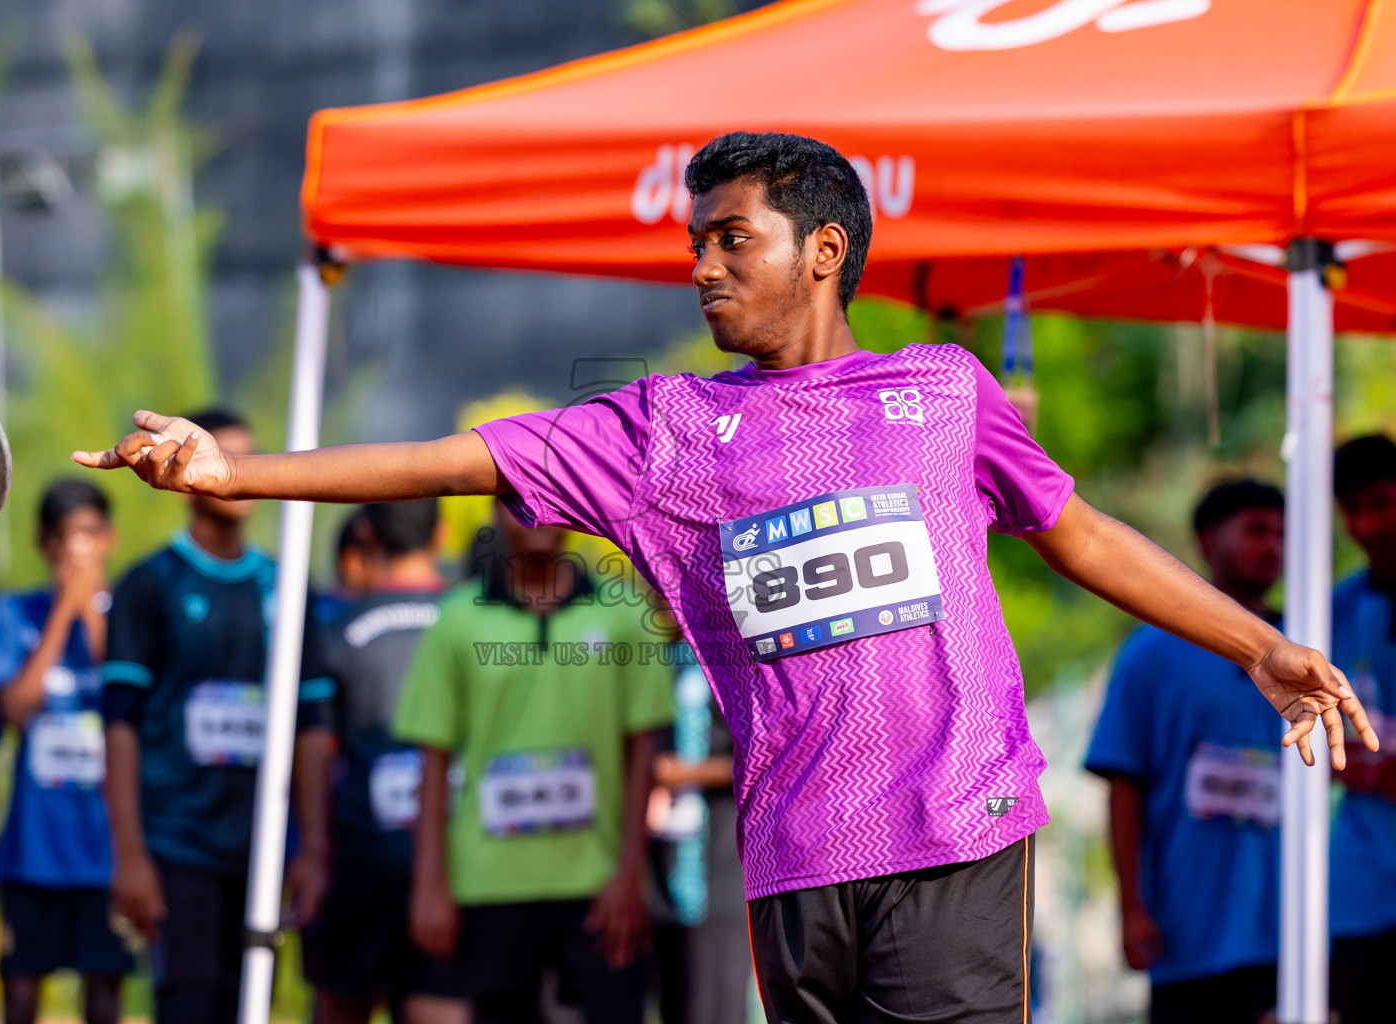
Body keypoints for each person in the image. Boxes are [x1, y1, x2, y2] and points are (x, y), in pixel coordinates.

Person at [74, 132, 1373, 1024]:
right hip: (795, 858)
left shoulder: (941, 392)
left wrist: (1252, 644)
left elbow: (1078, 533)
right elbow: (439, 459)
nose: (699, 265)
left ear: (821, 250)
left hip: (959, 832)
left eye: (728, 240)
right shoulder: (661, 433)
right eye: (693, 241)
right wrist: (236, 478)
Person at [99, 408, 335, 1024]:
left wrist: (313, 847)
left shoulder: (284, 586)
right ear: (178, 471)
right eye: (216, 455)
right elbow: (119, 725)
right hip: (179, 846)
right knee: (189, 1003)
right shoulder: (150, 585)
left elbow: (311, 724)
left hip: (263, 849)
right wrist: (130, 855)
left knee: (249, 1002)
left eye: (243, 457)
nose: (232, 472)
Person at [396, 501, 673, 1024]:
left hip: (599, 886)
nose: (541, 516)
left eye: (554, 501)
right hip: (489, 883)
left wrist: (630, 873)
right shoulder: (457, 621)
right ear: (495, 516)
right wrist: (430, 886)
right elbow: (432, 763)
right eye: (522, 503)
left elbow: (644, 750)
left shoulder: (621, 614)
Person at [1085, 480, 1287, 1023]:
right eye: (1256, 530)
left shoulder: (1305, 652)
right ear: (1206, 541)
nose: (1273, 547)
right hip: (1188, 933)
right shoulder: (1151, 654)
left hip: (1287, 930)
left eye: (1283, 533)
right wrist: (1131, 909)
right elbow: (1123, 782)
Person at [303, 501, 466, 1024]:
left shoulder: (333, 627)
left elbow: (314, 746)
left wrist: (311, 853)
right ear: (441, 534)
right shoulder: (474, 621)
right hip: (459, 863)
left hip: (358, 858)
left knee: (341, 1005)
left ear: (367, 535)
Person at [0, 480, 135, 1024]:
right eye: (65, 537)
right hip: (33, 854)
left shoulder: (130, 615)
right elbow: (14, 710)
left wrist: (91, 611)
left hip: (107, 855)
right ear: (44, 544)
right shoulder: (16, 612)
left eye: (89, 534)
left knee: (104, 997)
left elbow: (128, 699)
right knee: (21, 995)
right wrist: (60, 615)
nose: (78, 549)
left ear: (109, 539)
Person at [646, 634, 751, 1024]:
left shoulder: (726, 655)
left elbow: (756, 756)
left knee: (715, 1010)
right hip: (659, 880)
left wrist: (676, 773)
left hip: (717, 878)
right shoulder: (651, 654)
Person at [1328, 434, 1396, 1023]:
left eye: (1381, 501)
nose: (1367, 524)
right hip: (1362, 890)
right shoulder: (1335, 612)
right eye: (1353, 509)